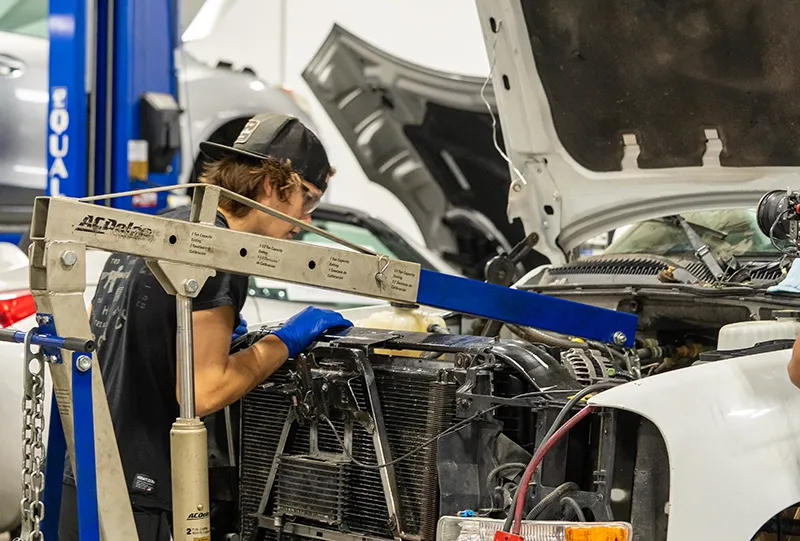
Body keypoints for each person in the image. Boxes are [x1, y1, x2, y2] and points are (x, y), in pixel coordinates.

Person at [59, 114, 353, 540]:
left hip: (86, 475)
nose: (304, 222)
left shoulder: (167, 225)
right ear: (273, 185)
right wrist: (283, 342)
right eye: (306, 199)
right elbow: (203, 391)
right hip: (139, 499)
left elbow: (111, 329)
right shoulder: (218, 251)